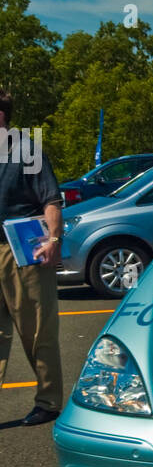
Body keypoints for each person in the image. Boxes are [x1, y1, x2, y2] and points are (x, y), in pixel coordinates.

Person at [0, 88, 64, 424]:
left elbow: (51, 200)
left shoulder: (26, 149)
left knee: (37, 330)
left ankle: (49, 401)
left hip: (22, 251)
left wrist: (53, 238)